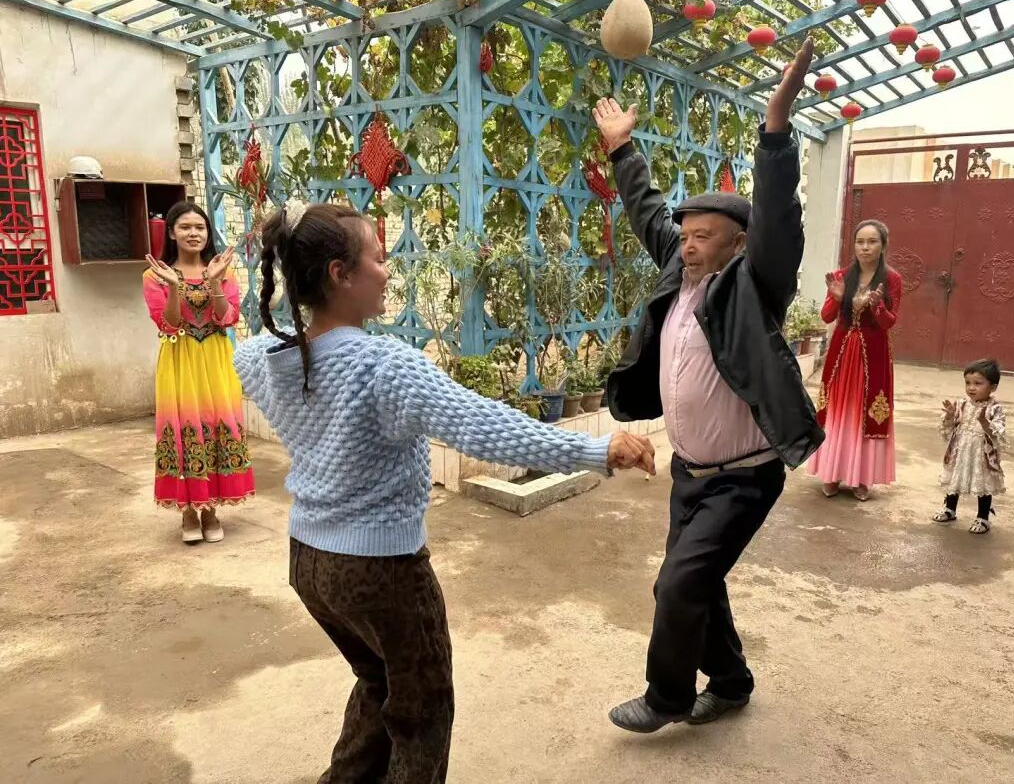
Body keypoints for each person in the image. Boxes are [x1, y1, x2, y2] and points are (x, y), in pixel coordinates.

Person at [232, 200, 656, 783]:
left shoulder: (269, 359)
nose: (388, 271)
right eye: (378, 258)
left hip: (309, 562)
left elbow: (244, 350)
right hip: (381, 570)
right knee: (422, 711)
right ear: (340, 274)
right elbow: (482, 424)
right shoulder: (382, 365)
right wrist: (595, 450)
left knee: (378, 682)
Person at [592, 39, 823, 734]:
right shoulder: (679, 266)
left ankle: (666, 698)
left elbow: (778, 219)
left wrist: (776, 128)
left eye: (703, 236)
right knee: (698, 582)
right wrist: (621, 150)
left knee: (677, 583)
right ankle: (730, 683)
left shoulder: (757, 284)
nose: (687, 244)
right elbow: (646, 210)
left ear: (736, 243)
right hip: (688, 473)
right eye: (685, 234)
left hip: (744, 477)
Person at [143, 202, 254, 544]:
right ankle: (188, 511)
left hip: (216, 360)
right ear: (171, 233)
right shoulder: (154, 276)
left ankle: (211, 510)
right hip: (180, 361)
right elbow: (169, 324)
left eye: (200, 227)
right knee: (184, 428)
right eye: (185, 227)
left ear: (207, 233)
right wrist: (174, 286)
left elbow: (227, 318)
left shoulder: (223, 270)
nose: (193, 233)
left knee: (218, 426)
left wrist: (216, 281)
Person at [807, 219, 903, 501]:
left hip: (874, 353)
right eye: (860, 242)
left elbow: (889, 322)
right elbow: (827, 316)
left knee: (866, 412)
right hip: (842, 352)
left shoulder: (892, 279)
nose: (865, 247)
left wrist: (877, 306)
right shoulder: (841, 276)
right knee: (837, 410)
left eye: (872, 242)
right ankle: (832, 472)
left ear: (883, 245)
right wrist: (838, 298)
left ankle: (862, 477)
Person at [934, 358, 1007, 535]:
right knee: (955, 477)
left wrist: (984, 422)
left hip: (981, 454)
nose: (971, 388)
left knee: (983, 483)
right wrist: (950, 415)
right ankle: (949, 508)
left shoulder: (995, 409)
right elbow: (949, 428)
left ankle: (983, 517)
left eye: (978, 383)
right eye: (968, 383)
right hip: (960, 451)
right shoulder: (962, 404)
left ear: (993, 387)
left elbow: (998, 435)